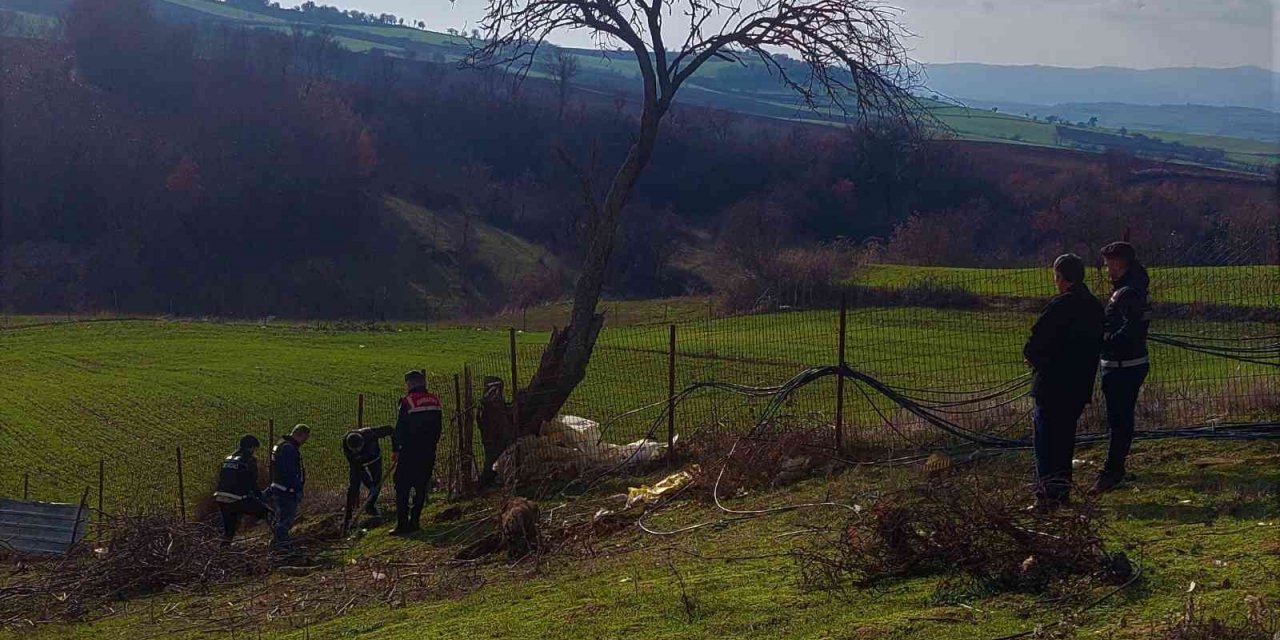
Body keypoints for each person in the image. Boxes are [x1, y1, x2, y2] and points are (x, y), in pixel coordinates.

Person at [1023, 253, 1104, 510]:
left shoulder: (1059, 306)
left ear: (1060, 278)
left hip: (1051, 385)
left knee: (1046, 442)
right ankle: (1062, 491)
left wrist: (1035, 360)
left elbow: (1035, 344)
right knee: (1065, 440)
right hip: (1079, 385)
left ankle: (1046, 495)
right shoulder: (1094, 306)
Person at [1095, 242, 1151, 493]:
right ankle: (1114, 466)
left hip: (1123, 365)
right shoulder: (1131, 289)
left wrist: (1105, 342)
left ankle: (1112, 470)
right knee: (1119, 419)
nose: (1106, 271)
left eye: (1108, 265)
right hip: (1124, 363)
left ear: (1119, 264)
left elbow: (1131, 329)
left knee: (1118, 420)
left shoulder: (1127, 293)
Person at [390, 370, 443, 536]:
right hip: (428, 450)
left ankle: (402, 524)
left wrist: (396, 449)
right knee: (421, 487)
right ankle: (415, 522)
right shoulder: (435, 400)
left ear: (410, 383)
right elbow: (438, 427)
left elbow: (400, 428)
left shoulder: (407, 402)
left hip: (409, 451)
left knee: (401, 485)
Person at [213, 434, 270, 544]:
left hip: (221, 497)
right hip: (237, 498)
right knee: (266, 513)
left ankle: (223, 553)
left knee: (228, 531)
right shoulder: (249, 460)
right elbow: (252, 482)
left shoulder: (228, 459)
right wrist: (260, 497)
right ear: (251, 447)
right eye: (254, 448)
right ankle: (275, 540)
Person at [342, 424, 394, 532]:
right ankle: (348, 517)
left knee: (377, 482)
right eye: (354, 450)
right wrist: (369, 485)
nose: (356, 451)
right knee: (353, 487)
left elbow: (390, 430)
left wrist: (396, 447)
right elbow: (360, 471)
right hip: (358, 464)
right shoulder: (347, 445)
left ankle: (370, 506)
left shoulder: (370, 434)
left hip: (374, 460)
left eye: (358, 449)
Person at [267, 424, 310, 549]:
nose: (305, 442)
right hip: (286, 490)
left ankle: (277, 544)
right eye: (305, 438)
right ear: (300, 434)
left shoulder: (281, 445)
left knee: (280, 518)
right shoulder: (289, 448)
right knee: (285, 520)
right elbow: (290, 471)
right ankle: (282, 547)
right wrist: (297, 488)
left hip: (279, 487)